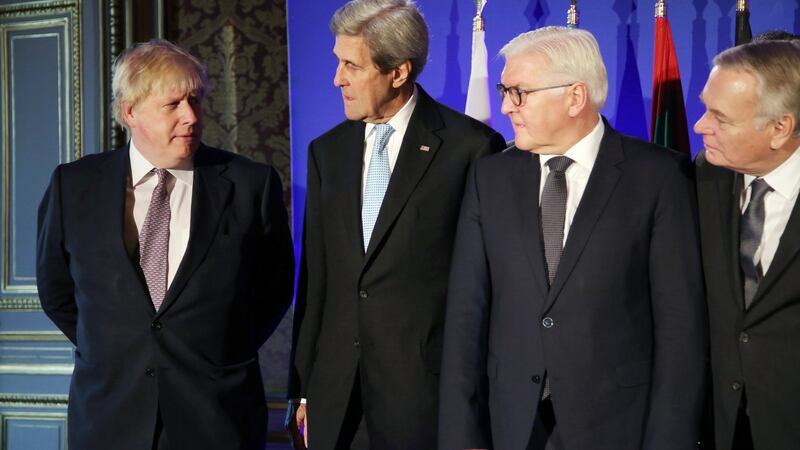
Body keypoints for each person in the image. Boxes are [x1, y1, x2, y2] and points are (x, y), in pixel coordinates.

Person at [438, 26, 708, 450]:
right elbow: (465, 314)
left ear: (575, 97)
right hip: (511, 426)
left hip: (617, 427)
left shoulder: (658, 177)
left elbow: (680, 328)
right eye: (503, 90)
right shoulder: (489, 177)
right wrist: (461, 435)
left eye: (519, 92)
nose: (505, 106)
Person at [36, 39, 294, 450]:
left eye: (195, 100)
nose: (191, 117)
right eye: (173, 104)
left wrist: (212, 347)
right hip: (109, 418)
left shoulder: (250, 184)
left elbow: (274, 289)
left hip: (218, 417)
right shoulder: (74, 186)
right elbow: (57, 293)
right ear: (130, 112)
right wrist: (119, 345)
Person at [287, 0, 506, 448]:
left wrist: (476, 405)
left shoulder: (471, 148)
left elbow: (487, 288)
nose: (337, 79)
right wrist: (304, 388)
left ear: (399, 73)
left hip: (424, 399)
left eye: (352, 65)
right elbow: (317, 281)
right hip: (336, 400)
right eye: (337, 62)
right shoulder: (325, 153)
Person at [694, 40, 800, 450]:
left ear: (780, 128)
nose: (701, 126)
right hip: (721, 424)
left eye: (720, 117)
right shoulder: (706, 175)